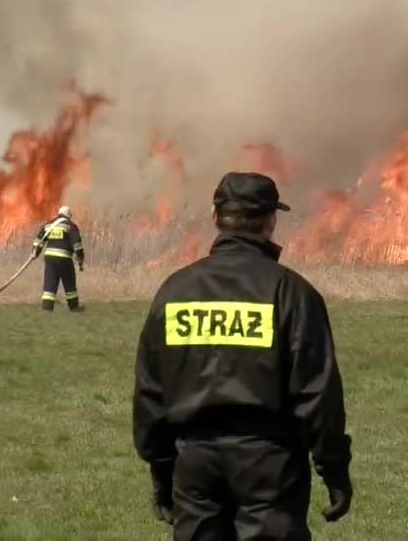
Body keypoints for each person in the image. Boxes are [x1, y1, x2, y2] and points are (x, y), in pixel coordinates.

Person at [133, 172, 353, 540]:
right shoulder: (291, 292)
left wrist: (161, 469)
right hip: (270, 463)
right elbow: (318, 393)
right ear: (271, 221)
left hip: (195, 461)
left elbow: (150, 391)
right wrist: (334, 469)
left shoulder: (175, 291)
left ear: (216, 218)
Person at [31, 205, 85, 312]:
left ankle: (47, 308)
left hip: (50, 259)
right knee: (69, 284)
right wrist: (80, 258)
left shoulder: (49, 225)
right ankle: (74, 307)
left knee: (49, 285)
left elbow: (38, 241)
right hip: (64, 259)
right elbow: (77, 244)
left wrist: (35, 253)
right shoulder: (70, 225)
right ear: (69, 216)